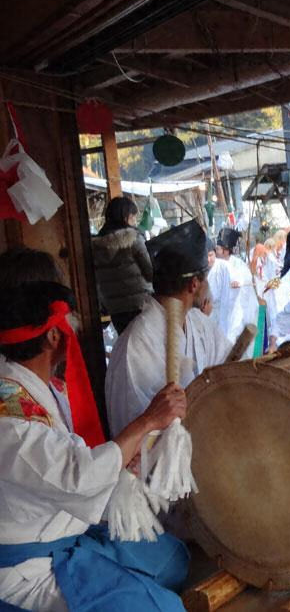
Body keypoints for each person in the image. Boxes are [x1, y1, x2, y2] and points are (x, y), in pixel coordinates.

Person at [0, 265, 189, 611]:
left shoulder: (40, 387)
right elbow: (79, 475)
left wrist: (123, 458)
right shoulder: (10, 418)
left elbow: (68, 463)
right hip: (29, 566)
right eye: (69, 323)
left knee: (173, 561)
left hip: (65, 527)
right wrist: (147, 421)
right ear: (53, 336)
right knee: (164, 608)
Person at [106, 220, 230, 436]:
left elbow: (228, 364)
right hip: (162, 454)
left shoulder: (198, 322)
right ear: (194, 284)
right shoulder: (136, 344)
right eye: (206, 278)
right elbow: (134, 429)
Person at [92, 196, 154, 334]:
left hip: (116, 309)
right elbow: (150, 272)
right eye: (133, 217)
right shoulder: (133, 239)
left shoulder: (96, 246)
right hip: (141, 305)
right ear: (125, 217)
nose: (135, 222)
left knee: (127, 343)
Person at [207, 227, 259, 353]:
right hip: (216, 313)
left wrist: (237, 285)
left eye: (218, 249)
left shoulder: (239, 265)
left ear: (226, 251)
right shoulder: (214, 266)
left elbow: (245, 286)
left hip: (236, 313)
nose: (216, 251)